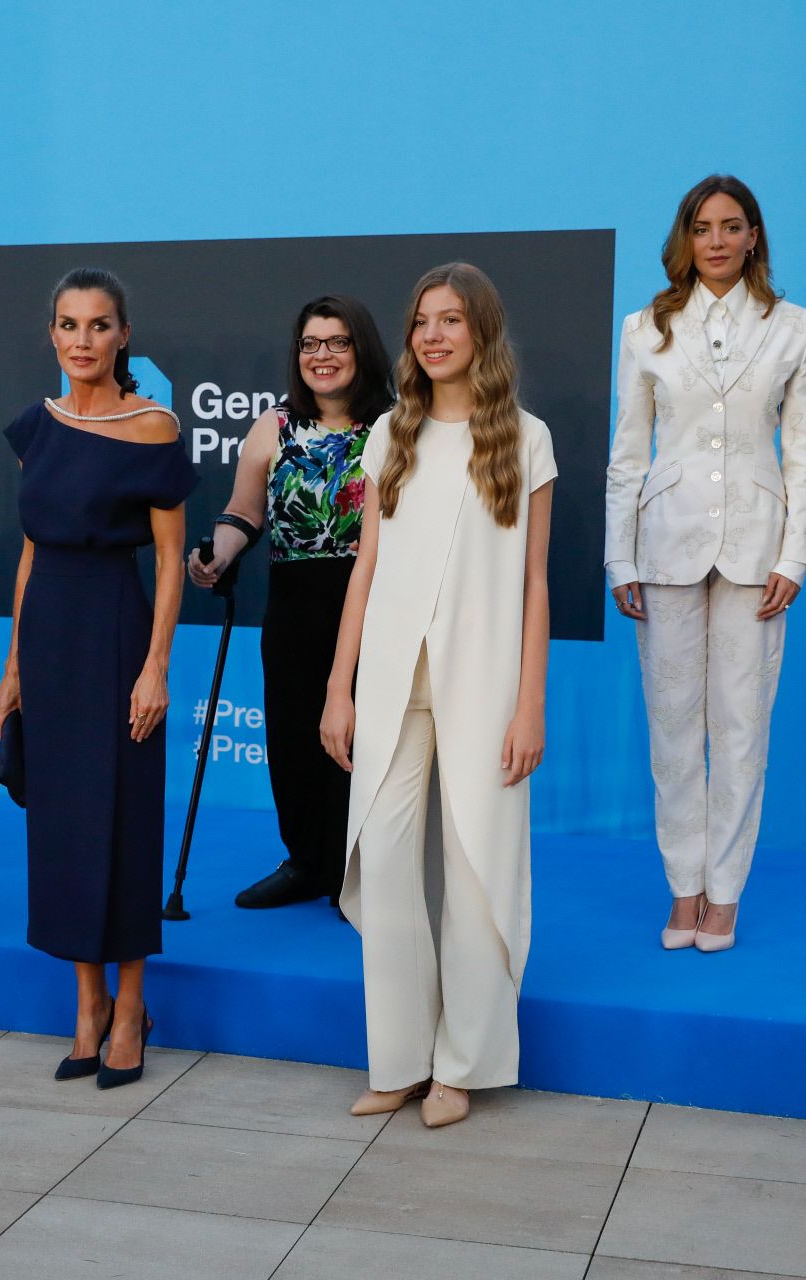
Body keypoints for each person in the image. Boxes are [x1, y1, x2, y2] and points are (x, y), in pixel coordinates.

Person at [320, 263, 555, 1129]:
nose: (432, 335)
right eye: (422, 321)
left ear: (481, 332)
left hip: (487, 681)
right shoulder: (391, 434)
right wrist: (339, 686)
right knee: (381, 862)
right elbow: (367, 568)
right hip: (390, 677)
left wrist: (530, 704)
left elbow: (535, 585)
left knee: (473, 869)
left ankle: (462, 1066)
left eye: (451, 320)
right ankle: (400, 1059)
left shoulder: (526, 439)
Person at [603, 175, 806, 952]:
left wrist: (796, 557)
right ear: (686, 239)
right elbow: (628, 454)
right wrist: (618, 555)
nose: (719, 240)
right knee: (672, 728)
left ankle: (725, 891)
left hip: (758, 547)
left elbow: (804, 454)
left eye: (733, 226)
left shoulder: (795, 327)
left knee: (740, 728)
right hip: (665, 543)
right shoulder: (645, 328)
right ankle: (684, 886)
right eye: (704, 227)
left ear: (754, 236)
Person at [0, 268, 196, 1089]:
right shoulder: (34, 428)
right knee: (63, 824)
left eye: (99, 325)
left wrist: (155, 666)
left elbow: (173, 559)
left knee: (124, 818)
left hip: (117, 629)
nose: (82, 340)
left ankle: (133, 1003)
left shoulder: (152, 428)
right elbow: (32, 551)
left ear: (123, 335)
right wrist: (12, 665)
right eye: (69, 325)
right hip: (48, 638)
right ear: (52, 334)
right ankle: (85, 1004)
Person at [188, 296, 394, 910]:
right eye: (310, 344)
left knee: (368, 739)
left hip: (378, 602)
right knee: (295, 738)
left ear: (362, 349)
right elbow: (244, 512)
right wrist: (217, 556)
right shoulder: (273, 427)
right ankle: (308, 863)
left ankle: (362, 872)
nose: (322, 355)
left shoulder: (397, 425)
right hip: (295, 603)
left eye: (337, 342)